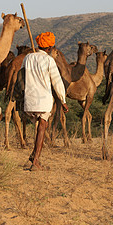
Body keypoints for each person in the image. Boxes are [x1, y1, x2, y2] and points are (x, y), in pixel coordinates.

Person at [22, 31, 68, 171]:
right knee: (42, 128)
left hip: (29, 100)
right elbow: (57, 82)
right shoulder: (49, 60)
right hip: (43, 100)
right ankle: (35, 161)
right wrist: (63, 100)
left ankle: (33, 155)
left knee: (40, 127)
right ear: (49, 48)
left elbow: (22, 75)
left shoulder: (28, 58)